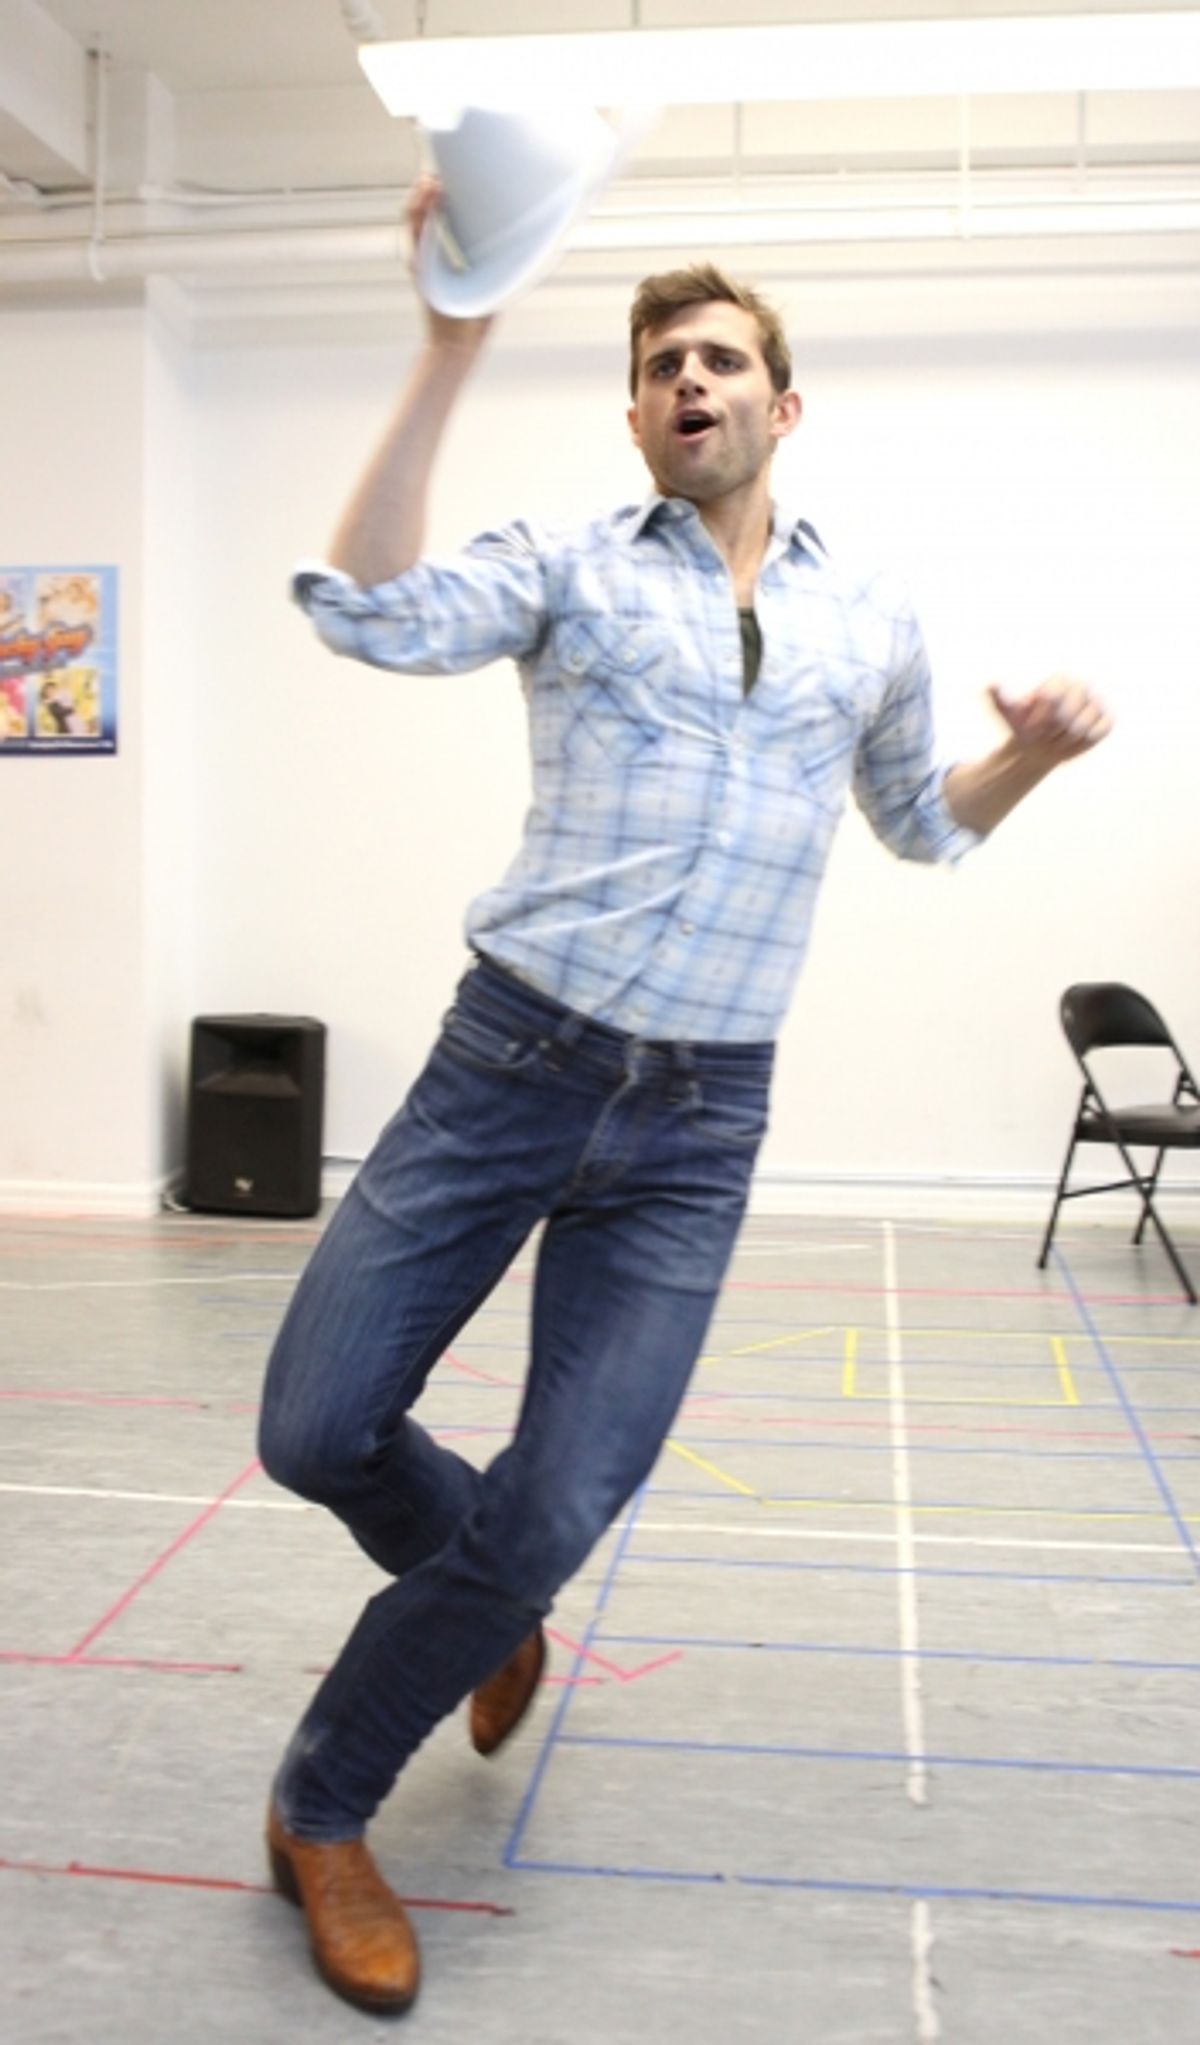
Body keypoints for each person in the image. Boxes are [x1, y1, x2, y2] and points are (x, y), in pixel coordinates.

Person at [257, 178, 1111, 2016]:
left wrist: (1029, 759)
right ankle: (481, 1606)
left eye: (722, 360)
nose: (692, 382)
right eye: (663, 366)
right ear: (638, 414)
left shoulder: (866, 613)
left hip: (696, 1125)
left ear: (781, 406)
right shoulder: (571, 563)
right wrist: (448, 346)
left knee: (559, 1501)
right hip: (507, 1067)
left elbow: (918, 825)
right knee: (315, 1431)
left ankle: (324, 1803)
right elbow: (370, 612)